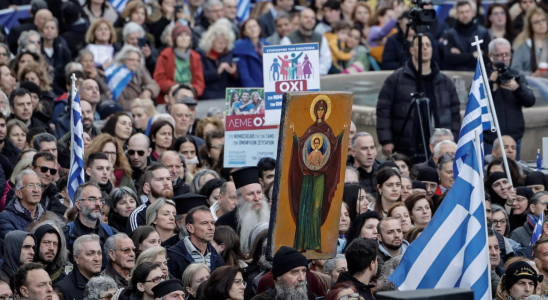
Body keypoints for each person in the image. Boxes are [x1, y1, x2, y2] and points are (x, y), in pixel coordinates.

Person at [377, 34, 460, 161]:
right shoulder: (396, 79)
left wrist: (453, 138)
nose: (425, 48)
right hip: (405, 144)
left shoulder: (445, 82)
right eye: (420, 45)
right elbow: (384, 109)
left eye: (428, 45)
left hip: (438, 144)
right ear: (412, 50)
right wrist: (386, 140)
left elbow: (455, 113)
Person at [485, 38, 535, 159]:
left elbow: (530, 101)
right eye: (500, 55)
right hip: (490, 139)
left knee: (514, 174)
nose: (504, 58)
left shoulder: (516, 75)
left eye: (507, 54)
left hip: (513, 139)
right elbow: (475, 102)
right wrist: (491, 83)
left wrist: (517, 89)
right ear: (490, 56)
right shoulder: (483, 74)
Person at [216, 167, 270, 253]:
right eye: (250, 194)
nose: (257, 198)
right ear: (238, 198)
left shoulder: (272, 217)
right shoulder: (224, 223)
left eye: (259, 192)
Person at [64, 182, 117, 267]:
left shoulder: (111, 234)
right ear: (78, 204)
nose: (98, 204)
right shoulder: (65, 235)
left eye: (100, 200)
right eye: (91, 199)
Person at [167, 206, 225, 279]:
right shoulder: (174, 255)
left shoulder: (216, 256)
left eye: (212, 223)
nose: (211, 228)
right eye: (204, 223)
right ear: (190, 228)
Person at [154, 23, 205, 101]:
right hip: (170, 97)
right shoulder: (165, 55)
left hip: (190, 97)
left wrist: (192, 89)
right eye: (180, 35)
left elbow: (200, 83)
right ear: (175, 39)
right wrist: (175, 87)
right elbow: (159, 79)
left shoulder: (196, 57)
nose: (184, 38)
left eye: (187, 35)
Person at [105, 45, 160, 110]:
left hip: (143, 107)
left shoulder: (139, 70)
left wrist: (148, 91)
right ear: (123, 60)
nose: (135, 63)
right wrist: (140, 101)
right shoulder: (115, 75)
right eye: (132, 60)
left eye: (138, 60)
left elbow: (154, 85)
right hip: (127, 111)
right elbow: (121, 103)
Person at [280, 9, 332, 76]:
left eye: (312, 18)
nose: (309, 20)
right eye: (306, 17)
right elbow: (286, 62)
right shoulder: (288, 39)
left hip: (318, 77)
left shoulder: (321, 38)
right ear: (299, 20)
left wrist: (314, 73)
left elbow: (326, 60)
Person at [197, 18, 239, 100]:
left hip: (227, 95)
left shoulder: (229, 54)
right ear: (211, 41)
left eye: (225, 43)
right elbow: (201, 76)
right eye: (220, 43)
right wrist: (217, 72)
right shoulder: (202, 54)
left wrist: (234, 73)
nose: (222, 46)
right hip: (208, 95)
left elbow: (236, 80)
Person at [443, 0, 491, 71]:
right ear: (457, 14)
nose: (465, 15)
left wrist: (460, 57)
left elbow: (486, 58)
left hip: (479, 73)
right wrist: (472, 55)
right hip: (457, 73)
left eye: (467, 11)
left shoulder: (483, 32)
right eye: (461, 12)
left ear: (473, 13)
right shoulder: (450, 34)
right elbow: (449, 58)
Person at [126, 163, 174, 233]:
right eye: (160, 179)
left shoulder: (178, 209)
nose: (166, 183)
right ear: (147, 187)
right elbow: (137, 242)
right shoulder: (138, 215)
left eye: (168, 179)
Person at [55, 234, 103, 300]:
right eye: (90, 254)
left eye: (99, 253)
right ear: (76, 258)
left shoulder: (107, 283)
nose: (97, 259)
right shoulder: (63, 289)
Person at [0, 170, 45, 239]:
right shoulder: (5, 217)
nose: (36, 190)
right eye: (30, 185)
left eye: (39, 185)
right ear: (19, 193)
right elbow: (13, 245)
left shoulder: (46, 215)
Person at [511, 8, 548, 77]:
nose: (541, 24)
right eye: (536, 22)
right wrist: (531, 75)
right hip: (529, 83)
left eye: (543, 20)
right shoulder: (522, 43)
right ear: (530, 26)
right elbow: (514, 70)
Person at [233, 19, 269, 88]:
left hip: (267, 87)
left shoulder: (268, 45)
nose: (253, 29)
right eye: (249, 27)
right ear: (245, 32)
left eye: (254, 26)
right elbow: (244, 75)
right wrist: (253, 90)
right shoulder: (240, 47)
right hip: (252, 88)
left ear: (259, 28)